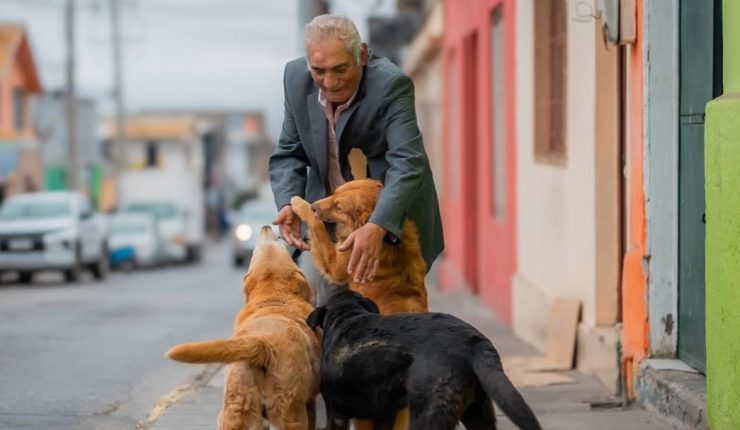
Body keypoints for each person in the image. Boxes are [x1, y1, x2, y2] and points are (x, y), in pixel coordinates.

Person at [270, 14, 443, 303]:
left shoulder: (391, 85)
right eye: (319, 70)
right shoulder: (295, 79)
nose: (330, 82)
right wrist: (288, 202)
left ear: (361, 54)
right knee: (332, 319)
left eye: (340, 69)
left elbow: (407, 162)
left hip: (392, 225)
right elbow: (289, 151)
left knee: (392, 324)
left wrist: (378, 226)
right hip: (333, 220)